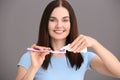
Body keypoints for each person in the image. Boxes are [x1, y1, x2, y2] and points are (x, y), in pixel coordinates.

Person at [16, 0, 120, 80]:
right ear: (45, 24)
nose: (59, 25)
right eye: (52, 20)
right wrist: (34, 67)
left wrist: (95, 43)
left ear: (71, 24)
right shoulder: (30, 58)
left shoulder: (83, 57)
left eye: (65, 20)